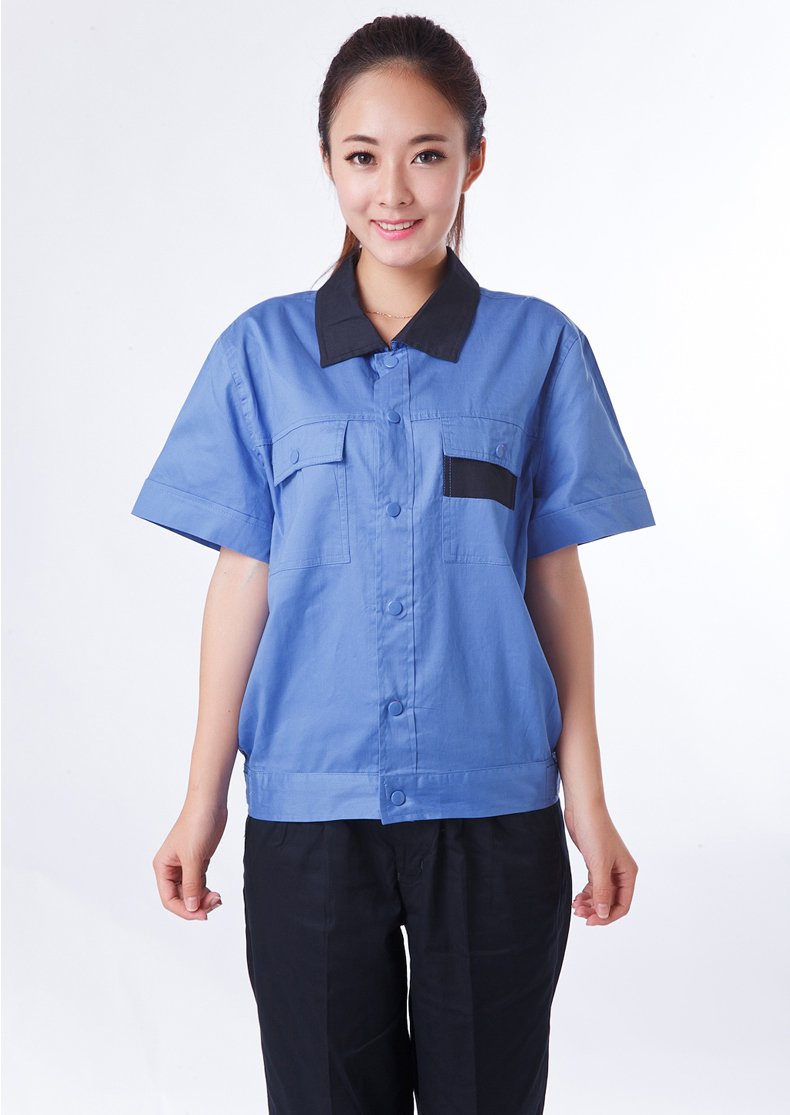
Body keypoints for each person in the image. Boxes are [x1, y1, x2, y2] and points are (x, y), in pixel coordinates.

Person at [132, 14, 655, 1115]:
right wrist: (200, 799)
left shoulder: (538, 348)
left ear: (474, 160)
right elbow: (242, 580)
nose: (395, 191)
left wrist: (589, 801)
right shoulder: (260, 353)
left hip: (494, 806)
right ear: (328, 162)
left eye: (427, 153)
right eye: (363, 156)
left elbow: (554, 584)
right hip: (309, 810)